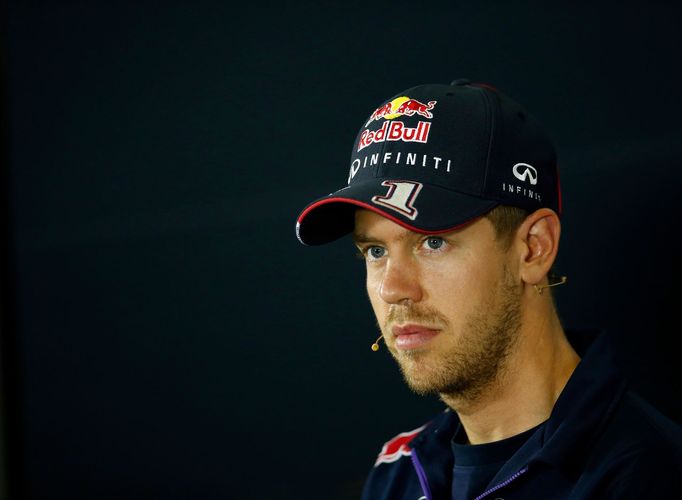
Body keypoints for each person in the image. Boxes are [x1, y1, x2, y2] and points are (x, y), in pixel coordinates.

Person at [295, 79, 681, 499]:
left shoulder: (648, 475)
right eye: (374, 251)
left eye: (433, 241)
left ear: (535, 248)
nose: (392, 288)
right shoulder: (397, 472)